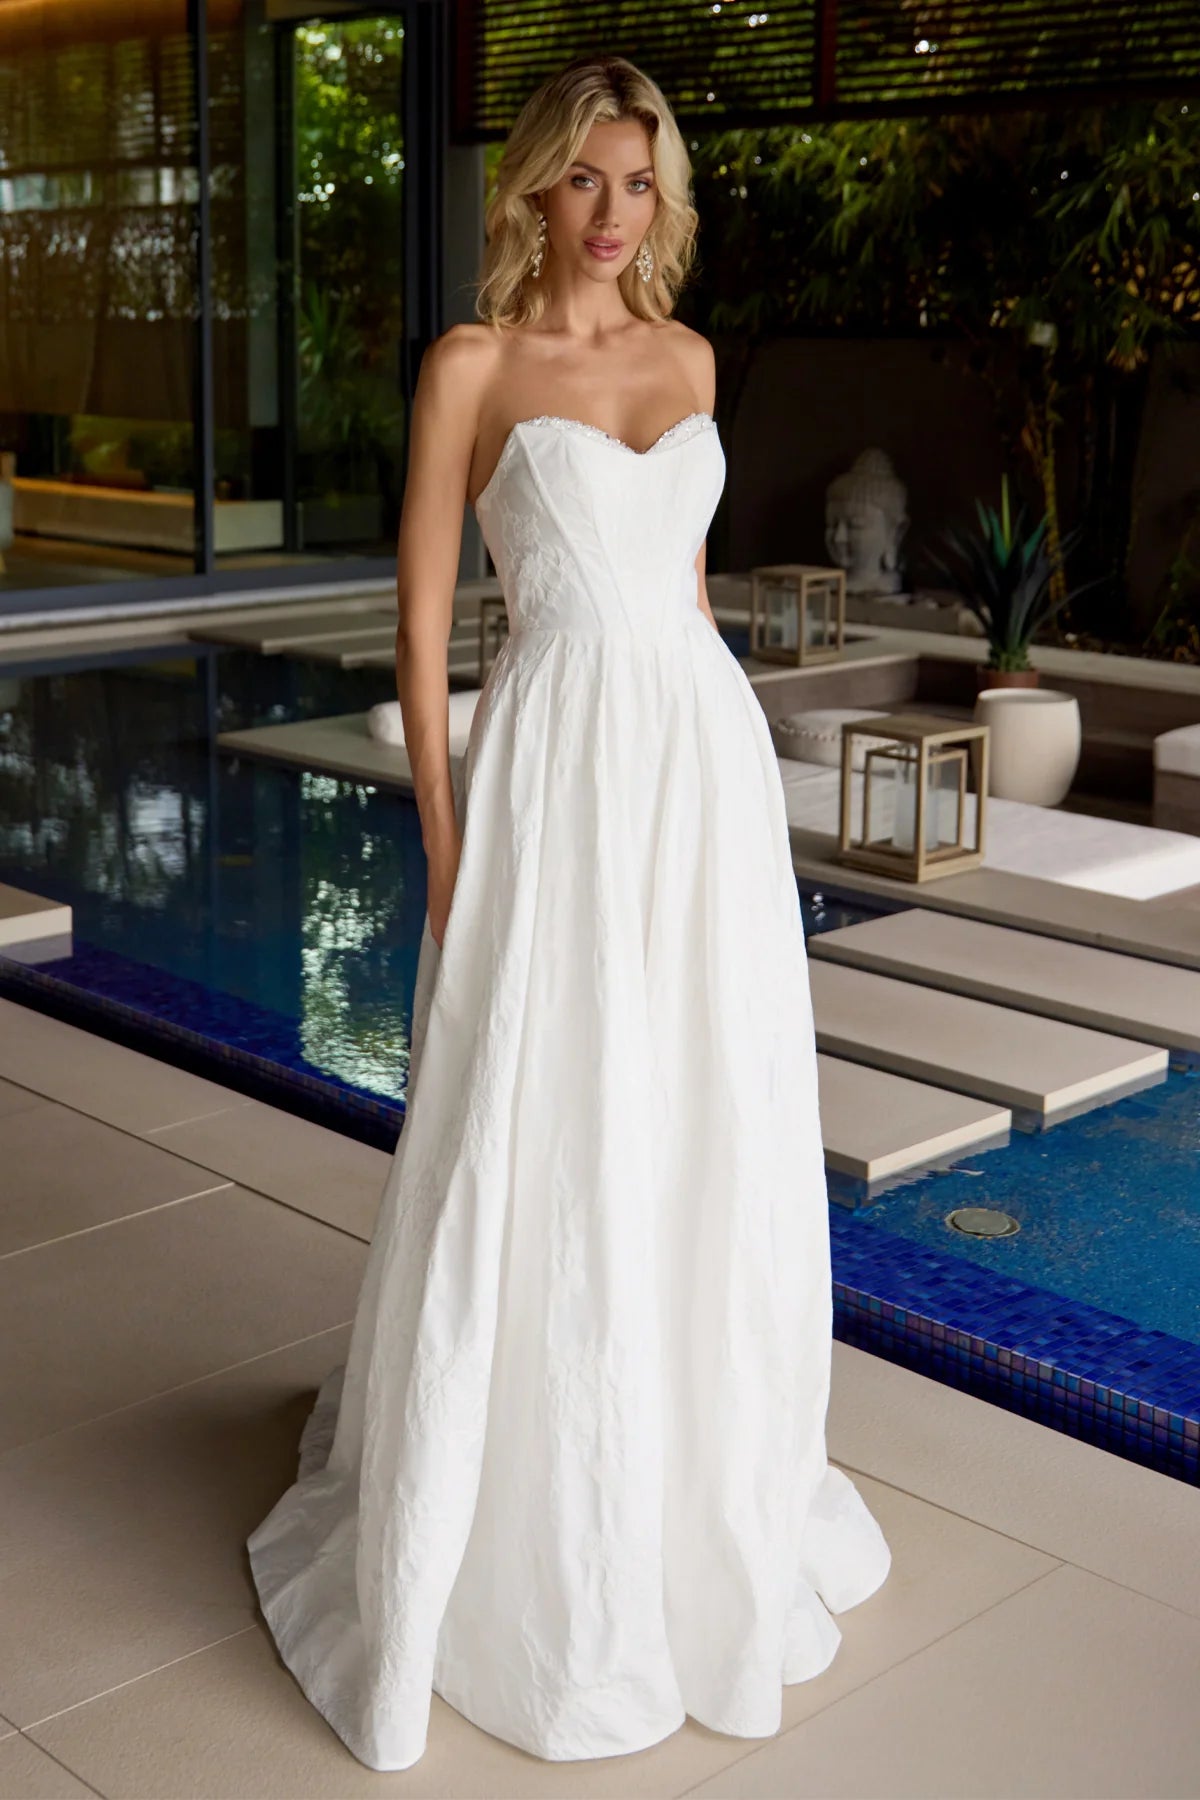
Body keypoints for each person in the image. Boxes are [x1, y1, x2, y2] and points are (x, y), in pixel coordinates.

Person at [247, 51, 891, 1774]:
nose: (614, 212)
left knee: (702, 1110)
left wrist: (734, 783)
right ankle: (525, 1501)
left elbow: (686, 598)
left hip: (697, 769)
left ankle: (695, 1478)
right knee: (542, 1112)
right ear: (537, 182)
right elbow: (422, 626)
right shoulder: (471, 366)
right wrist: (445, 834)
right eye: (587, 178)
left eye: (639, 181)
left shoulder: (688, 359)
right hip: (549, 768)